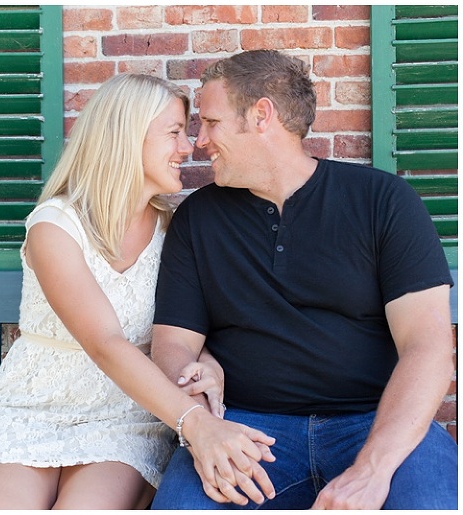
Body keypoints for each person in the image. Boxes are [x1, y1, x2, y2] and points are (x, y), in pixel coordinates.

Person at [150, 49, 457, 510]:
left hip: (375, 423)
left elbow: (430, 346)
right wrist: (200, 390)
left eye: (211, 122)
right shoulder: (199, 218)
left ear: (261, 116)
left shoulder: (383, 202)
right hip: (247, 432)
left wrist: (373, 468)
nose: (199, 141)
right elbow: (173, 344)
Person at [0, 73, 277, 510]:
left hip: (126, 417)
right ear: (127, 136)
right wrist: (196, 425)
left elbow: (182, 326)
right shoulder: (55, 226)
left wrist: (205, 364)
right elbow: (104, 342)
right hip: (29, 409)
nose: (188, 148)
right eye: (174, 133)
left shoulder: (176, 231)